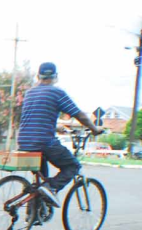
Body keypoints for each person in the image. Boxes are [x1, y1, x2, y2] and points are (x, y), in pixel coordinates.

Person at [17, 63, 103, 207]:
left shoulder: (30, 93)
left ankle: (34, 213)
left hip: (24, 142)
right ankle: (51, 187)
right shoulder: (56, 93)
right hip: (43, 142)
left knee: (41, 179)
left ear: (38, 76)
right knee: (72, 166)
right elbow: (79, 115)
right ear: (55, 77)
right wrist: (94, 128)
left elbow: (38, 117)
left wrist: (57, 127)